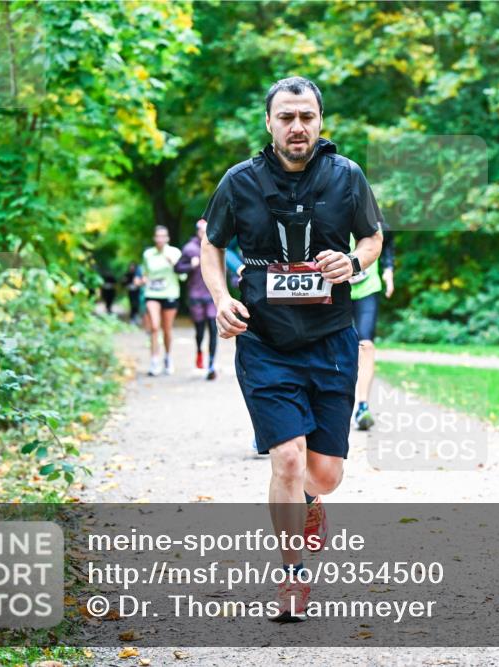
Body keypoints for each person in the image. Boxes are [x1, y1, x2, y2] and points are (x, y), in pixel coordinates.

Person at [199, 76, 383, 621]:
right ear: (269, 122)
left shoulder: (348, 176)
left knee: (325, 474)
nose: (297, 127)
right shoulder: (240, 182)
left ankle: (311, 506)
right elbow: (213, 245)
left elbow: (372, 237)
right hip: (265, 340)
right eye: (286, 117)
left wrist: (354, 262)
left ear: (320, 119)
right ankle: (292, 575)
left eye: (306, 116)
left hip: (330, 340)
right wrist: (219, 298)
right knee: (286, 457)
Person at [349, 226, 395, 430]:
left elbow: (387, 240)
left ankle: (362, 406)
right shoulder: (329, 205)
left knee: (365, 344)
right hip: (333, 288)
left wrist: (388, 270)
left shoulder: (371, 215)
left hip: (367, 287)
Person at [176, 220, 219, 380]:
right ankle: (200, 351)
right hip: (195, 295)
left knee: (214, 330)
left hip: (212, 295)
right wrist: (191, 266)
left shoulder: (215, 247)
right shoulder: (189, 248)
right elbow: (177, 268)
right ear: (197, 231)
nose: (204, 234)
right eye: (202, 231)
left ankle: (212, 364)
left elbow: (224, 267)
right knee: (200, 331)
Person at [141, 225, 183, 377]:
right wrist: (142, 279)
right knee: (154, 326)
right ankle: (154, 361)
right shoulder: (148, 254)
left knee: (167, 329)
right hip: (152, 293)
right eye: (157, 236)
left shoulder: (175, 252)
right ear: (154, 238)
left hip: (170, 293)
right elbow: (145, 272)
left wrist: (172, 263)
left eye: (163, 236)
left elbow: (182, 274)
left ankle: (168, 357)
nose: (160, 239)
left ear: (167, 238)